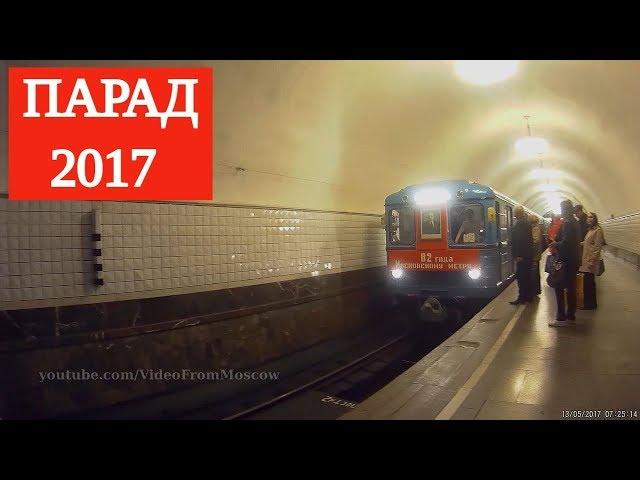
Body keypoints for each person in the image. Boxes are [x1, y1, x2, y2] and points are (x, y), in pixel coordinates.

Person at [548, 199, 580, 325]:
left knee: (558, 286)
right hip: (574, 259)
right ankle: (571, 315)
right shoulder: (575, 222)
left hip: (566, 260)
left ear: (565, 209)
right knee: (571, 288)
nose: (561, 212)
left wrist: (555, 243)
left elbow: (566, 243)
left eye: (562, 209)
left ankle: (561, 317)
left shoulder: (567, 223)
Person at [579, 212, 605, 309]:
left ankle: (589, 304)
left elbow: (597, 248)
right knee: (587, 283)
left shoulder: (598, 230)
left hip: (590, 261)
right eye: (588, 217)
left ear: (595, 219)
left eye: (591, 217)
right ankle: (589, 303)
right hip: (586, 260)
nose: (589, 219)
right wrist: (579, 243)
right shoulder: (590, 230)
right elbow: (588, 243)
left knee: (589, 284)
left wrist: (591, 261)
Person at [510, 206, 534, 305]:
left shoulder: (521, 224)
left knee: (521, 277)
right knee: (526, 277)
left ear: (518, 213)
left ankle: (522, 298)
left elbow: (521, 241)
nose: (513, 214)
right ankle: (528, 297)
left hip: (523, 256)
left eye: (514, 212)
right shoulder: (525, 223)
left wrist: (519, 255)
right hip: (526, 255)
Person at [529, 213, 544, 296]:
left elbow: (535, 241)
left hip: (534, 256)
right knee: (535, 273)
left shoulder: (535, 229)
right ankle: (536, 290)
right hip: (535, 255)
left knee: (534, 273)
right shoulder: (536, 228)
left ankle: (535, 290)